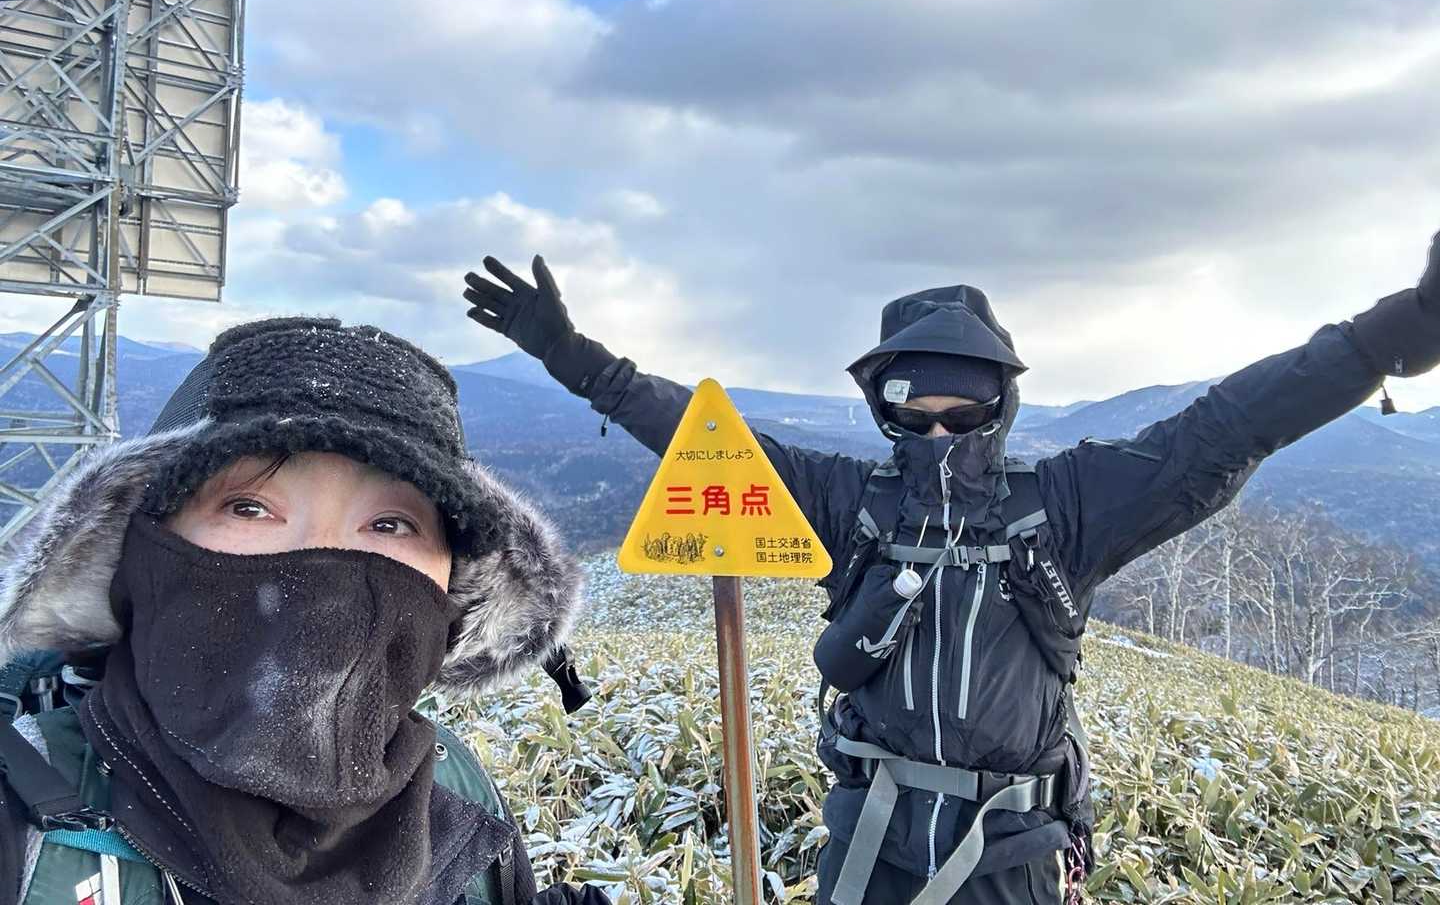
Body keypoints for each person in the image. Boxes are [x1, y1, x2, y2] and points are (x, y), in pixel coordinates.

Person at [462, 231, 1440, 905]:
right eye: (911, 407)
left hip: (1014, 851)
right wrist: (573, 357)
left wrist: (1381, 340)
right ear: (882, 407)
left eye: (964, 408)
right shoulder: (850, 503)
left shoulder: (1064, 507)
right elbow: (697, 434)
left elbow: (1222, 430)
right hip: (869, 838)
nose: (937, 429)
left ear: (999, 403)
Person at [0, 317, 598, 905]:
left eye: (391, 524)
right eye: (249, 508)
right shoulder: (17, 815)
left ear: (455, 585)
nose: (324, 562)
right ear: (143, 549)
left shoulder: (460, 792)